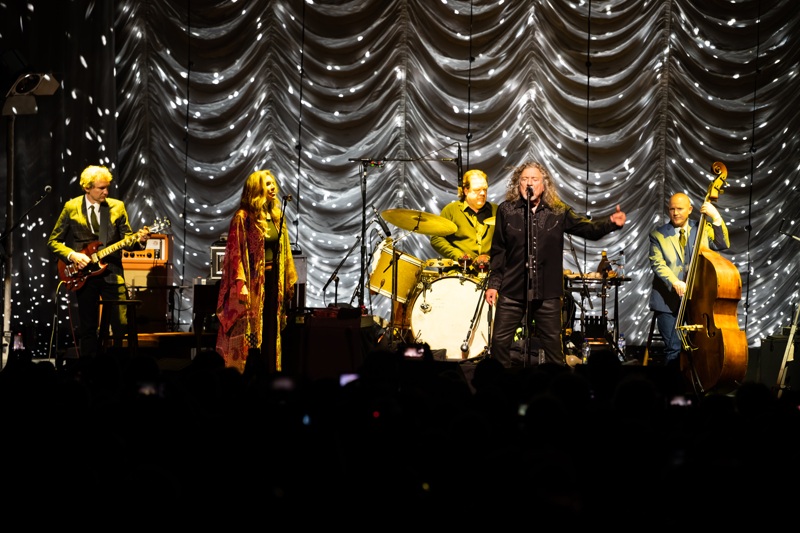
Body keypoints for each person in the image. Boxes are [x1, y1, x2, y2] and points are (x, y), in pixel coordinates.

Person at [484, 160, 626, 368]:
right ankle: (505, 387)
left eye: (534, 179)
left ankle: (556, 389)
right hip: (512, 289)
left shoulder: (558, 212)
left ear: (544, 184)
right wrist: (494, 284)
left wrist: (611, 223)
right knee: (499, 342)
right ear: (518, 184)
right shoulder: (507, 210)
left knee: (553, 347)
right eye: (524, 179)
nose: (529, 183)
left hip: (548, 291)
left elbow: (588, 230)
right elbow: (499, 250)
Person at [48, 164, 151, 360]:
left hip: (112, 272)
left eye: (107, 187)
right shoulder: (71, 207)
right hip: (83, 274)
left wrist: (140, 241)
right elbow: (53, 241)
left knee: (121, 325)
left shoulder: (116, 206)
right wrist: (73, 255)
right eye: (101, 188)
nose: (106, 191)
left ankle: (121, 368)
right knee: (88, 328)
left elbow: (128, 240)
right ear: (87, 187)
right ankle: (89, 370)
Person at [215, 169, 297, 376]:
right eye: (267, 184)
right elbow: (235, 252)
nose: (273, 187)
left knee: (270, 327)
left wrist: (288, 278)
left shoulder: (277, 217)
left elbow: (284, 250)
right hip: (252, 282)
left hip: (272, 281)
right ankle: (247, 373)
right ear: (256, 188)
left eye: (273, 184)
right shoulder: (243, 217)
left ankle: (269, 372)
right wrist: (240, 282)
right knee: (251, 330)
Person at [648, 192, 729, 367]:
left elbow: (722, 244)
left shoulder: (701, 228)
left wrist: (716, 217)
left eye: (679, 209)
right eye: (671, 209)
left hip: (697, 302)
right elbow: (658, 264)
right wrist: (675, 281)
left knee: (700, 348)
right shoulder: (658, 235)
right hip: (667, 302)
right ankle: (673, 390)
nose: (675, 213)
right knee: (674, 347)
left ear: (690, 210)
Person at [430, 169, 497, 276]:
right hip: (459, 270)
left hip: (489, 271)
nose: (483, 193)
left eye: (485, 189)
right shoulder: (451, 210)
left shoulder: (496, 210)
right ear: (466, 191)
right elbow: (436, 238)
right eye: (477, 189)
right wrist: (458, 255)